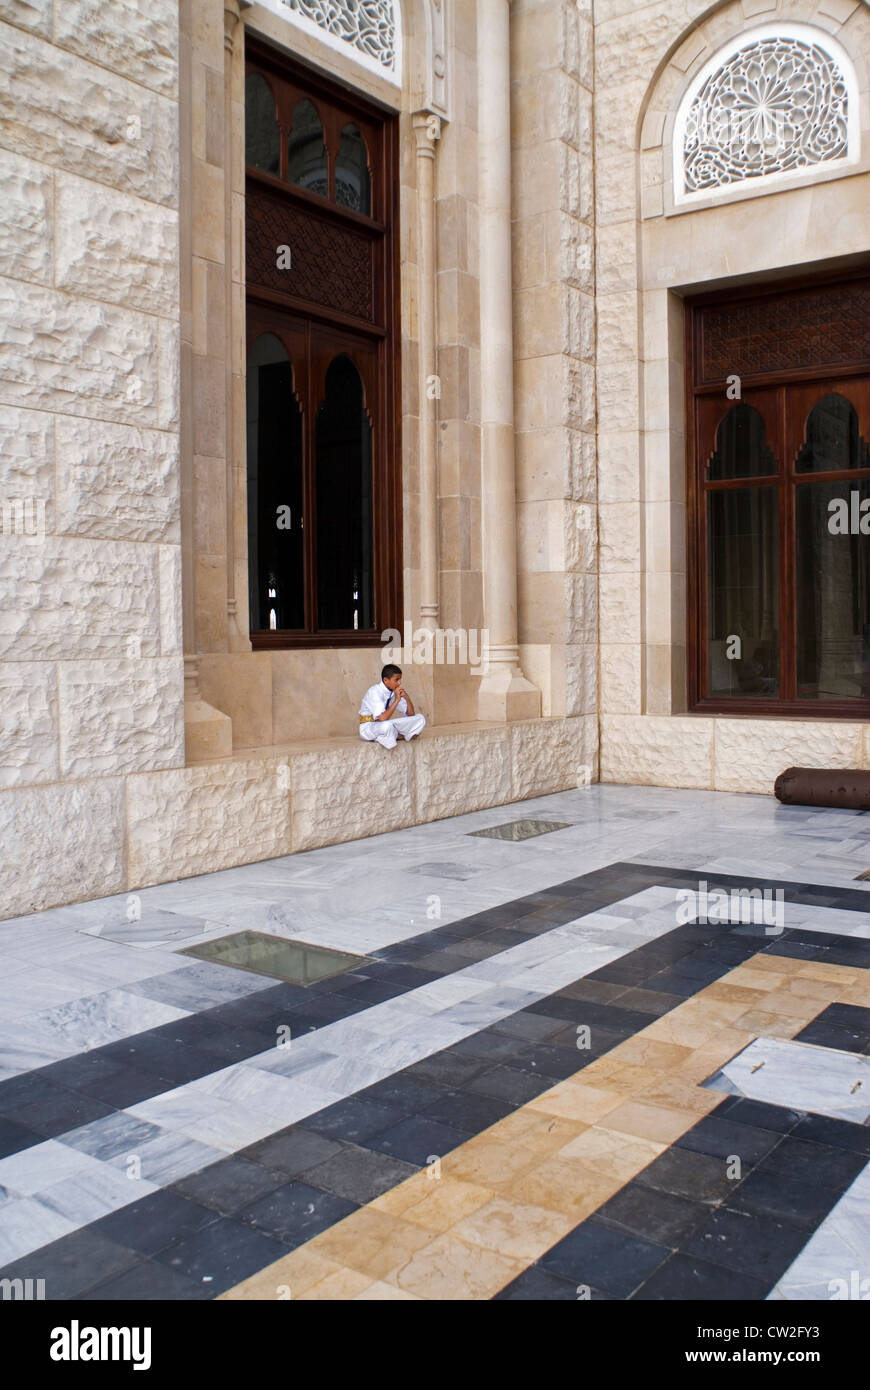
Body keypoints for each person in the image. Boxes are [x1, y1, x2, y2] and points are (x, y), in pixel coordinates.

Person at [359, 664, 426, 748]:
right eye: (396, 680)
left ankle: (391, 735)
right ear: (386, 680)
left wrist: (406, 697)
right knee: (387, 726)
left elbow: (410, 714)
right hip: (369, 727)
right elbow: (383, 718)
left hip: (385, 724)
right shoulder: (374, 692)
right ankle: (398, 734)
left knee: (420, 718)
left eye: (400, 679)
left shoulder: (393, 692)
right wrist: (397, 700)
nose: (399, 683)